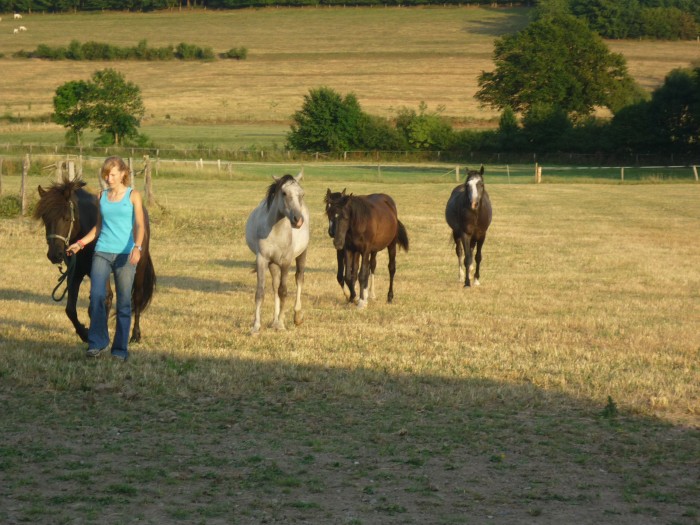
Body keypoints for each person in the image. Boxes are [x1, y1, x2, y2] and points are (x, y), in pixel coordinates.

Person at [67, 157, 145, 361]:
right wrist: (80, 243)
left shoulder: (133, 195)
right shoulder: (101, 196)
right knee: (97, 296)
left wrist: (137, 247)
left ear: (123, 174)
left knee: (124, 303)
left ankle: (120, 349)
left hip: (125, 254)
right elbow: (98, 228)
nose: (108, 178)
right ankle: (97, 343)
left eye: (112, 174)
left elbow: (140, 225)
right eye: (106, 175)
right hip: (102, 251)